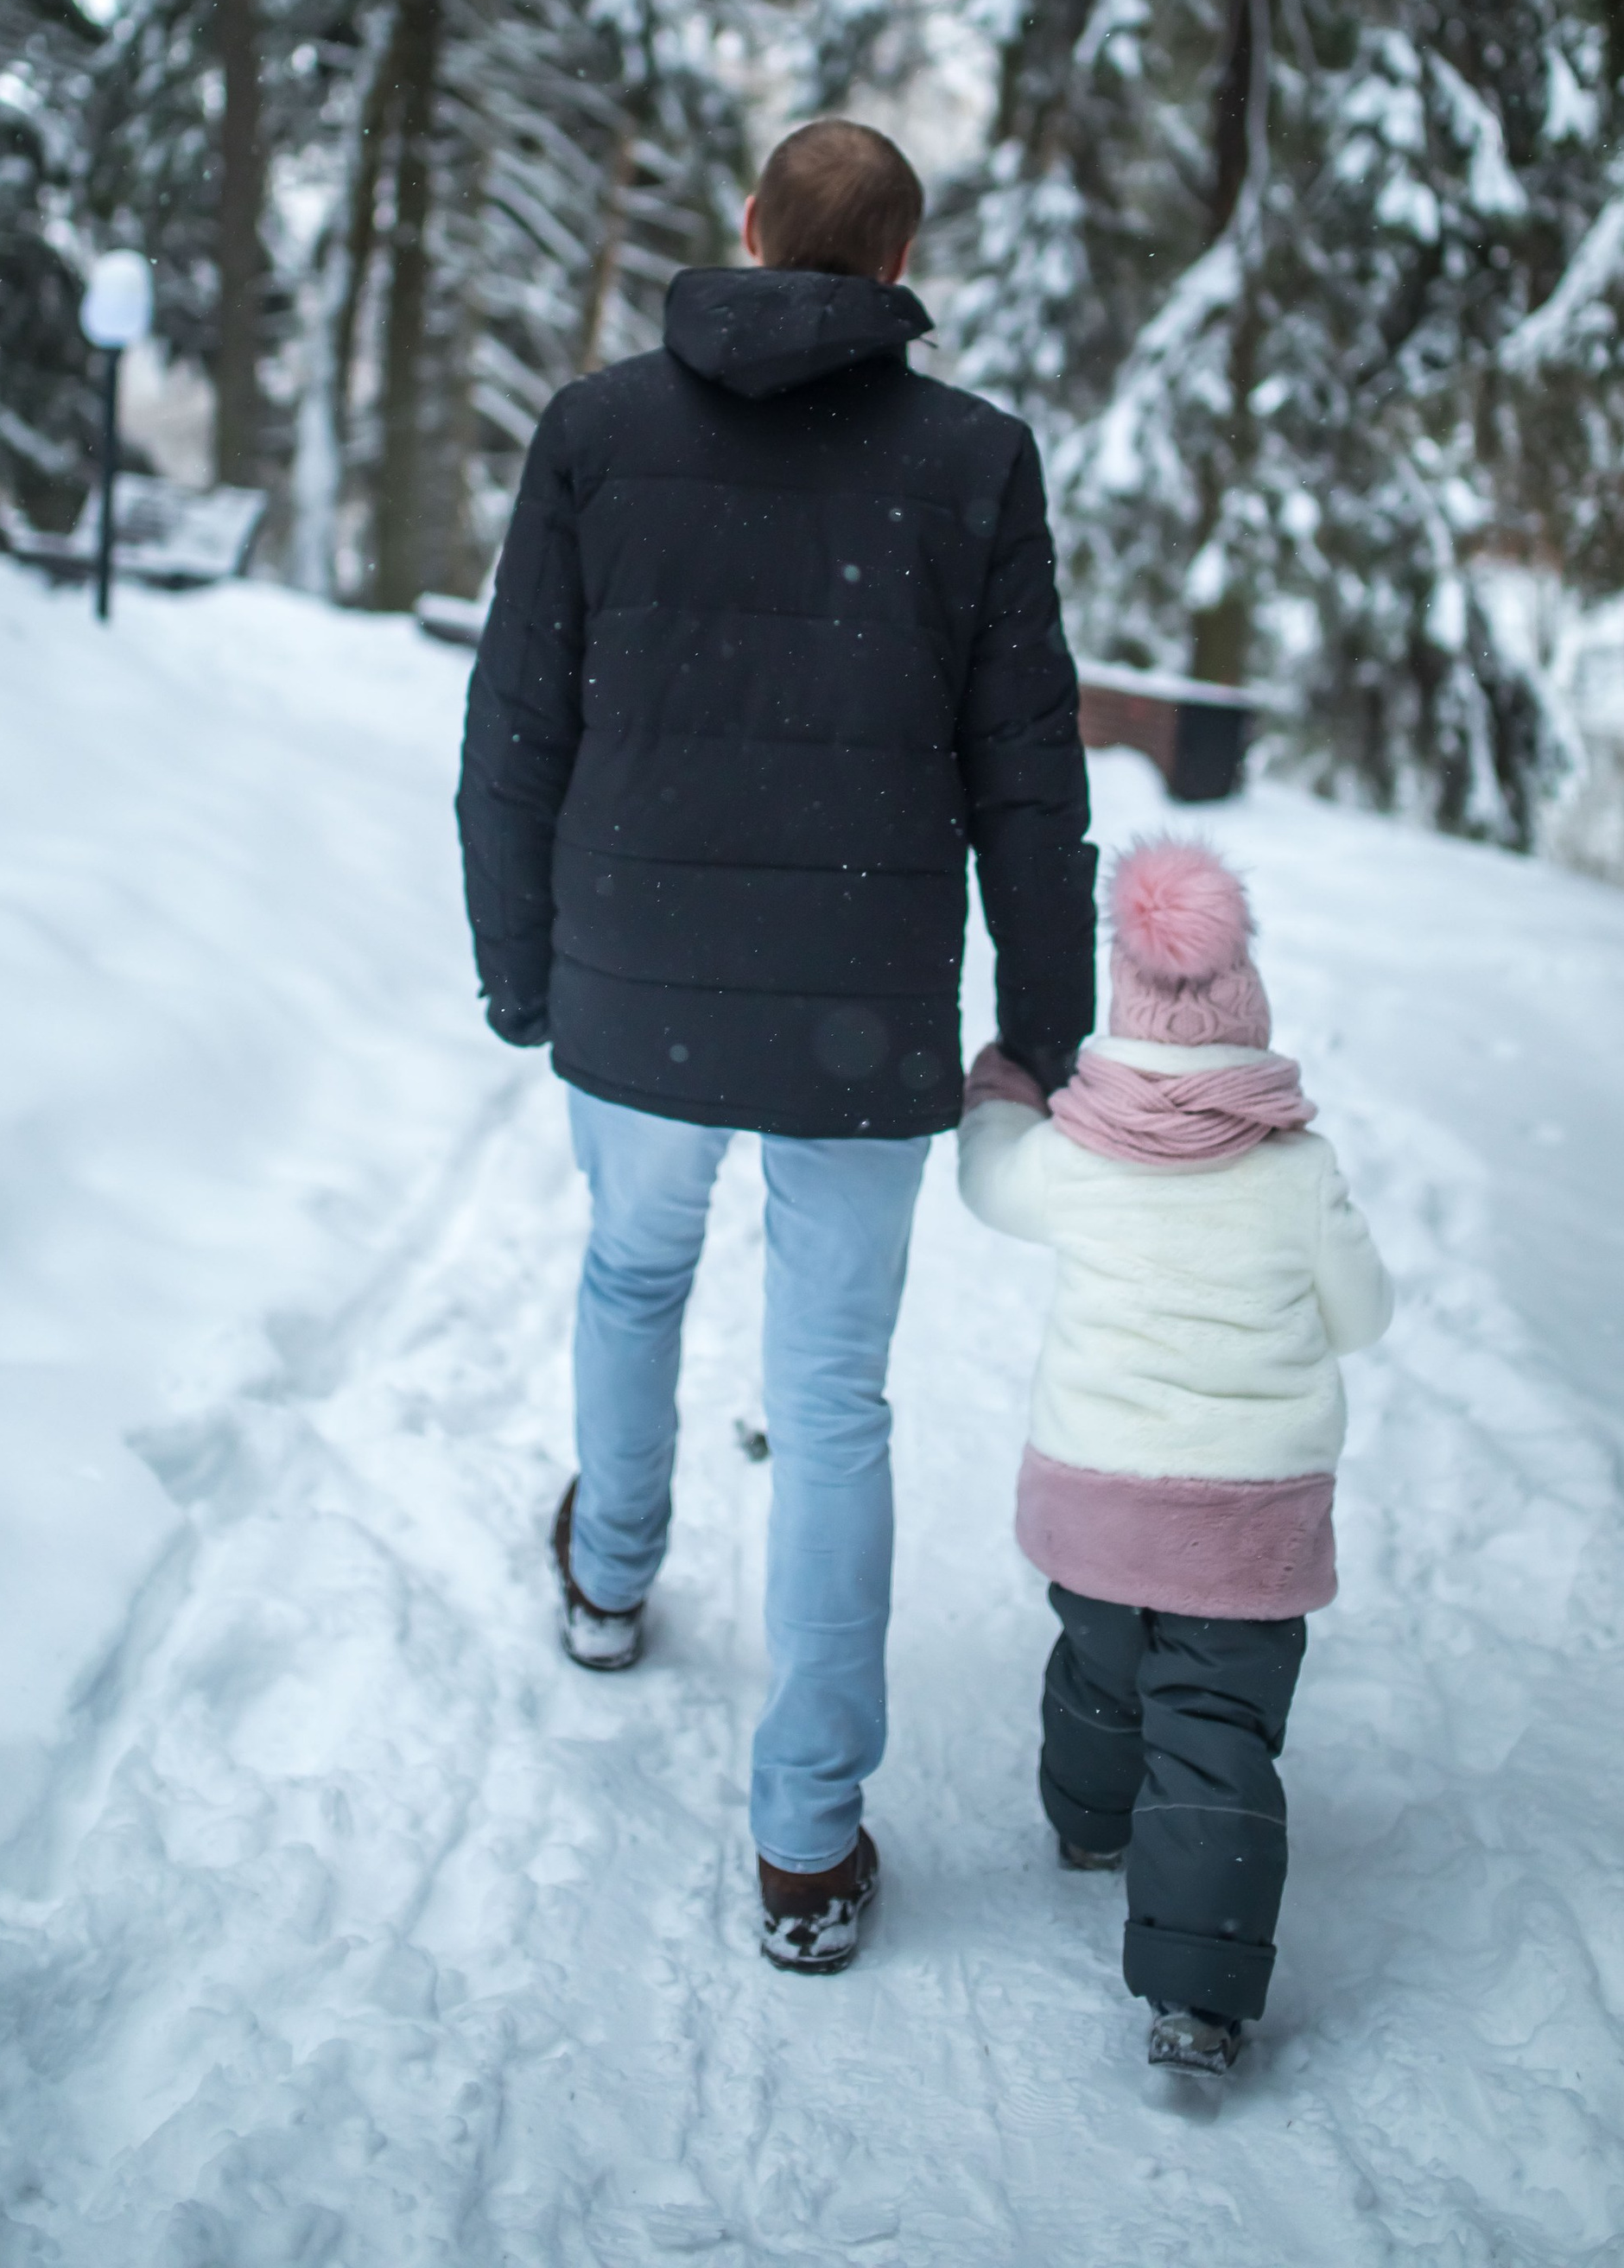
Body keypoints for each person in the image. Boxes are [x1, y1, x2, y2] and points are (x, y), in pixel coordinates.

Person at [457, 118, 1096, 1973]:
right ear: (895, 271)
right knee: (827, 1404)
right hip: (855, 1015)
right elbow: (1026, 773)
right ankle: (805, 1845)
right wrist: (1033, 1027)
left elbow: (516, 724)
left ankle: (608, 1574)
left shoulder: (595, 432)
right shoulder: (972, 461)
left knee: (631, 1273)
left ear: (745, 231)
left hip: (636, 985)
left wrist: (524, 970)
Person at [956, 835, 1391, 2073]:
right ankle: (1197, 2002)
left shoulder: (1078, 1156)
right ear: (1248, 1034)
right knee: (1213, 1723)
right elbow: (1363, 1319)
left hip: (1098, 1505)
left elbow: (989, 1185)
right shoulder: (1298, 1172)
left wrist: (1000, 1091)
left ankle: (1092, 1826)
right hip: (1247, 1519)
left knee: (1103, 1670)